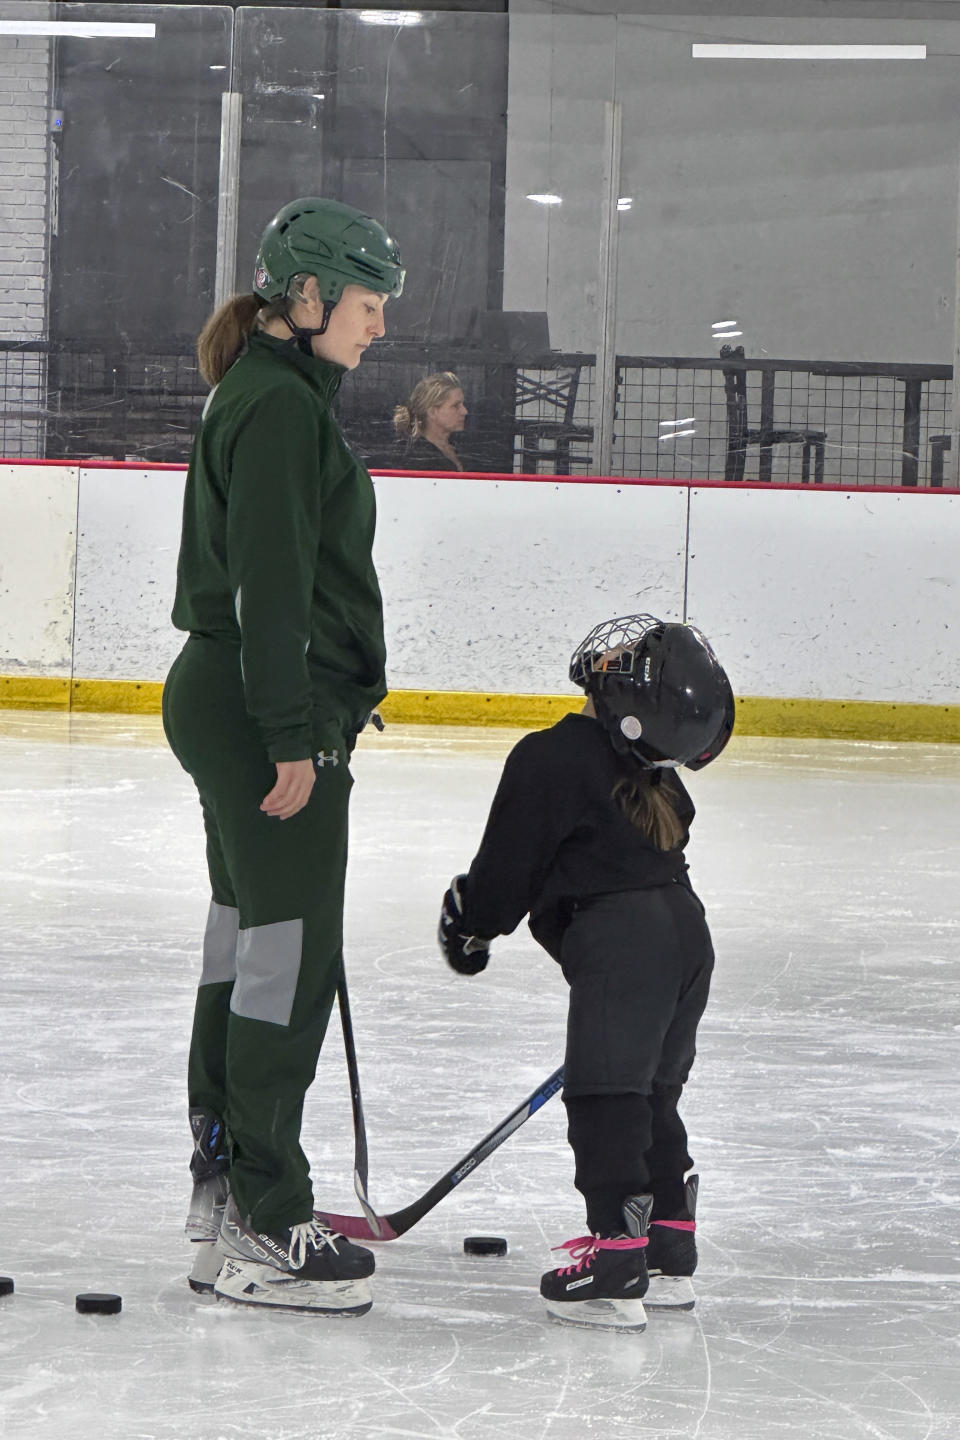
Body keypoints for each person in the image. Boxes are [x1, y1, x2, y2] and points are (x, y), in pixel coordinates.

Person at [162, 196, 405, 1315]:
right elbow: (268, 584)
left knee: (250, 942)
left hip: (249, 704)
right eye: (367, 305)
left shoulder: (272, 395)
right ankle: (269, 1216)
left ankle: (226, 1184)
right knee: (287, 957)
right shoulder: (273, 410)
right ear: (305, 301)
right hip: (269, 709)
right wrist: (290, 732)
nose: (379, 327)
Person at [438, 614, 734, 1331]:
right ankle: (667, 1243)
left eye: (634, 663)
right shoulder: (655, 775)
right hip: (685, 936)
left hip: (625, 946)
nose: (617, 660)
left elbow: (509, 870)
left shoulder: (553, 756)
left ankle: (615, 1262)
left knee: (606, 1100)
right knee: (652, 1094)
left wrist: (471, 928)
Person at [392, 371, 468, 470]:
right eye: (455, 406)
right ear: (432, 412)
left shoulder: (463, 449)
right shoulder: (419, 459)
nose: (465, 411)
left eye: (463, 404)